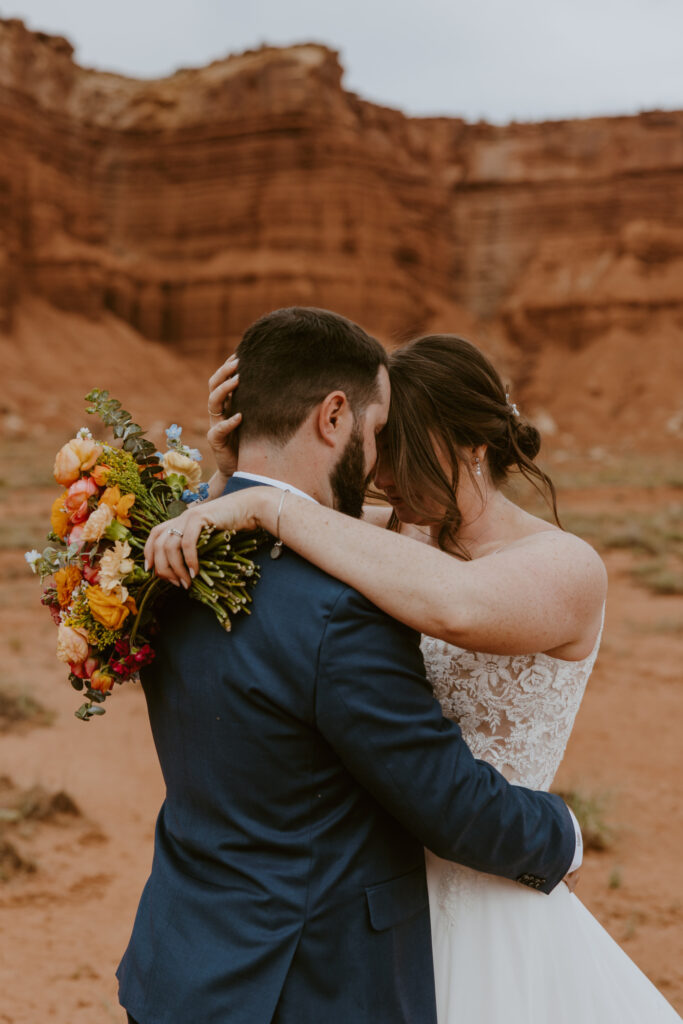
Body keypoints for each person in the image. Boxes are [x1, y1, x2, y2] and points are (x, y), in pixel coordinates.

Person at [152, 325, 681, 1022]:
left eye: (403, 444)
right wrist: (238, 472)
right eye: (379, 443)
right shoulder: (392, 533)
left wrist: (267, 505)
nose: (382, 471)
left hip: (491, 876)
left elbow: (454, 604)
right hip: (371, 895)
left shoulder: (567, 566)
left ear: (472, 442)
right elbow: (296, 533)